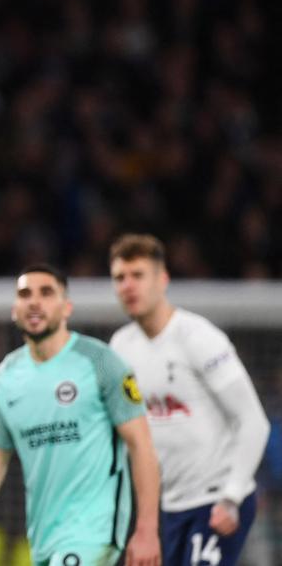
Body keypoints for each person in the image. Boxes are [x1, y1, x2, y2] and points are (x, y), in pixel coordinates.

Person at [0, 264, 162, 566]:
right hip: (43, 537)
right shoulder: (6, 378)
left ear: (66, 308)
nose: (34, 301)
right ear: (14, 310)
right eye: (25, 294)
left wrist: (146, 529)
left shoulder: (101, 362)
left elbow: (141, 445)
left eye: (46, 293)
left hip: (94, 531)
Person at [108, 234, 269, 566]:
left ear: (162, 279)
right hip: (168, 505)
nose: (128, 286)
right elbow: (130, 437)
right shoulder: (120, 348)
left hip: (215, 500)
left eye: (138, 275)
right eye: (120, 278)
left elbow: (254, 420)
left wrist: (232, 496)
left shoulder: (198, 338)